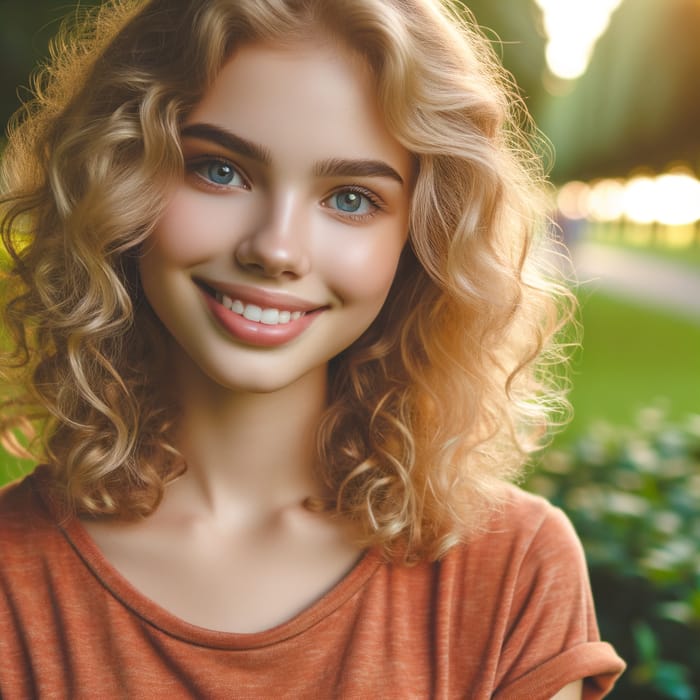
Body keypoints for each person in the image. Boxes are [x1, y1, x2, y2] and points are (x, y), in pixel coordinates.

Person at [0, 0, 625, 697]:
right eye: (221, 170)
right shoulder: (11, 582)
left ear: (421, 244)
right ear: (119, 177)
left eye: (351, 199)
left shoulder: (512, 569)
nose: (276, 248)